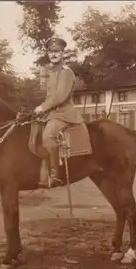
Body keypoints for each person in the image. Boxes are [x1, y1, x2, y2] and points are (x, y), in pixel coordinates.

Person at [34, 36, 84, 188]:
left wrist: (42, 107)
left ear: (63, 53)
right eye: (51, 51)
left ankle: (55, 175)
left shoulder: (65, 72)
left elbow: (60, 97)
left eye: (57, 51)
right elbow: (47, 94)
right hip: (51, 113)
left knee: (48, 136)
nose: (53, 54)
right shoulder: (51, 72)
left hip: (63, 113)